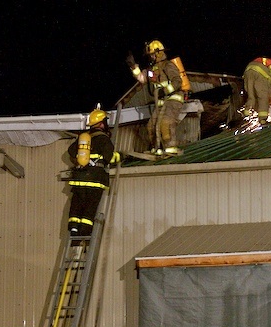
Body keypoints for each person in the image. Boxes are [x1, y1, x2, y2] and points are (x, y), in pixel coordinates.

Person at [66, 107, 119, 236]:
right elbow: (109, 158)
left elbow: (71, 151)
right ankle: (85, 231)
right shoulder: (103, 139)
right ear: (101, 123)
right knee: (90, 206)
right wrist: (119, 156)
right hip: (94, 179)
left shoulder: (83, 138)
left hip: (79, 177)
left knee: (77, 204)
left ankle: (73, 227)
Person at [128, 40, 186, 157]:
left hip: (173, 99)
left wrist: (165, 90)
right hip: (161, 102)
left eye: (152, 54)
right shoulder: (151, 69)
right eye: (150, 55)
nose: (151, 57)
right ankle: (157, 148)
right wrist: (133, 67)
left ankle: (170, 148)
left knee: (165, 123)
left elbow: (177, 81)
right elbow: (142, 79)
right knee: (151, 125)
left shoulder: (168, 65)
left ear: (159, 53)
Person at [241, 57, 271, 124]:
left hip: (248, 71)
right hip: (260, 74)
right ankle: (263, 120)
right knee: (263, 98)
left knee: (251, 96)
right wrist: (268, 94)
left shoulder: (267, 62)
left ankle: (246, 115)